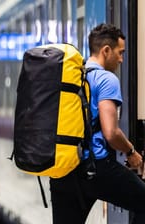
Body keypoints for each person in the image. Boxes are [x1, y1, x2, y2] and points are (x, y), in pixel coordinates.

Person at [49, 23, 145, 224]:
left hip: (63, 170)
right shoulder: (106, 79)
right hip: (96, 168)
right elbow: (111, 133)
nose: (121, 59)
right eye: (120, 53)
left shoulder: (71, 77)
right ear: (106, 50)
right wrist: (131, 152)